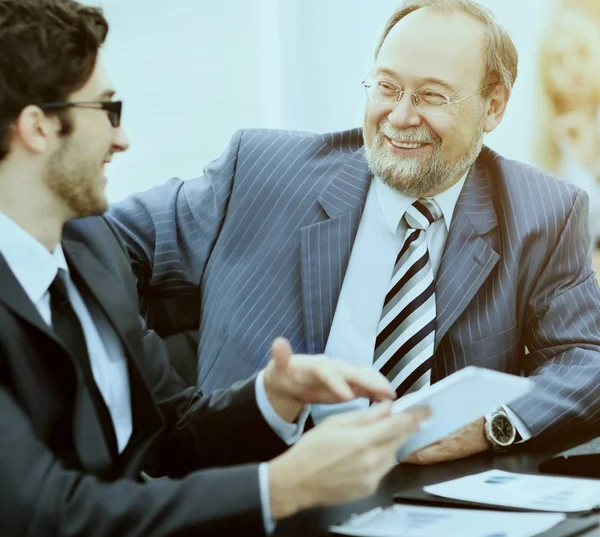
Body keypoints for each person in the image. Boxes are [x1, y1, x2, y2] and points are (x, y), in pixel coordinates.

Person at [0, 1, 431, 535]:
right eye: (107, 110)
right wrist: (282, 486)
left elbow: (170, 430)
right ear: (38, 127)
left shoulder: (91, 250)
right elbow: (46, 515)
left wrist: (272, 398)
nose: (122, 138)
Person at [109, 0, 600, 466]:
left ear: (493, 108)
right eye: (387, 87)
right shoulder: (258, 170)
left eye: (431, 95)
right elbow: (101, 241)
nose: (402, 116)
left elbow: (588, 360)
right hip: (247, 486)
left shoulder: (544, 212)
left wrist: (492, 426)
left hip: (425, 499)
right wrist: (157, 390)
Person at [534, 9, 600, 247]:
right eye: (559, 59)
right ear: (546, 75)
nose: (573, 67)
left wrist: (591, 164)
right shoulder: (542, 143)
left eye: (582, 53)